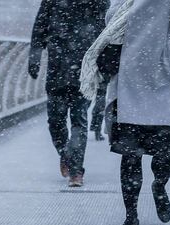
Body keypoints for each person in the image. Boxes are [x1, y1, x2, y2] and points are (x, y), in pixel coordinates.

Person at [79, 0, 170, 224]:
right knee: (150, 148)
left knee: (145, 150)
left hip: (145, 70)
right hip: (152, 71)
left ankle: (144, 201)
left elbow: (111, 16)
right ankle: (145, 200)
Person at [28, 0, 109, 187]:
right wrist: (34, 59)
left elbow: (105, 31)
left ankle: (76, 170)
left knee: (78, 120)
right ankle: (66, 154)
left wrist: (104, 64)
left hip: (83, 71)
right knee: (55, 120)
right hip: (58, 69)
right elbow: (39, 28)